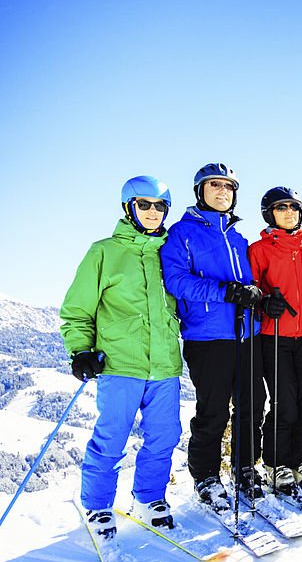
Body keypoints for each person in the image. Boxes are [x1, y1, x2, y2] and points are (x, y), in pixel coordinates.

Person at [59, 176, 183, 538]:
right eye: (144, 205)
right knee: (111, 437)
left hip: (164, 364)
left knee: (164, 435)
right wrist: (80, 350)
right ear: (129, 207)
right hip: (118, 363)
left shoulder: (170, 253)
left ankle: (148, 499)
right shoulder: (104, 252)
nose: (152, 212)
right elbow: (76, 309)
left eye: (160, 206)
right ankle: (97, 506)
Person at [160, 162, 267, 512]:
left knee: (252, 405)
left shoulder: (238, 238)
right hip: (207, 337)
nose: (222, 192)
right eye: (214, 186)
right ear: (200, 192)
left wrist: (261, 297)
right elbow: (176, 281)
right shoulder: (182, 234)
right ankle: (206, 477)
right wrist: (226, 292)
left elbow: (248, 286)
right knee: (214, 410)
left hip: (246, 334)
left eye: (228, 187)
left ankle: (245, 468)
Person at [248, 187, 302, 494]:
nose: (289, 212)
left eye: (294, 207)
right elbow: (251, 289)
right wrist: (265, 302)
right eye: (282, 208)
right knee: (284, 401)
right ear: (270, 213)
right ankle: (277, 463)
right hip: (275, 335)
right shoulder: (259, 250)